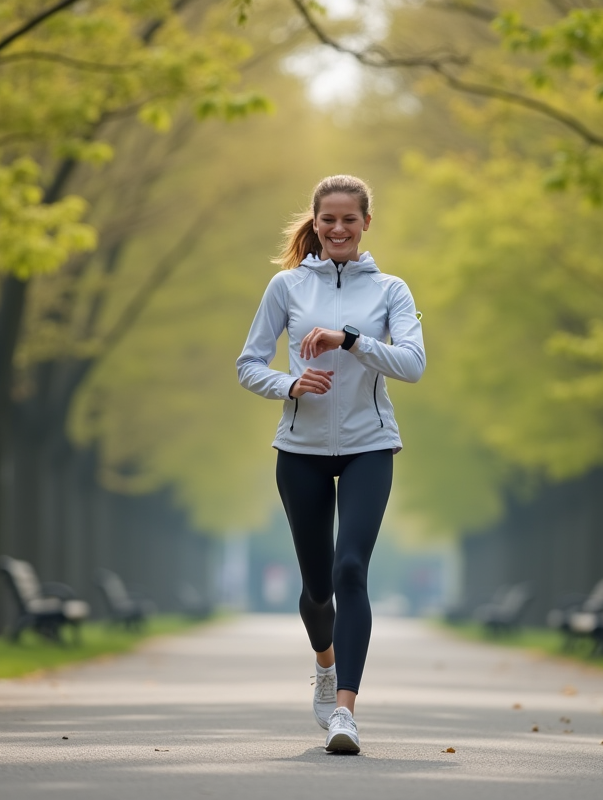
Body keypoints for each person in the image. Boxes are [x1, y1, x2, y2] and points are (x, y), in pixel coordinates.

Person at [236, 175, 426, 754]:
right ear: (315, 224)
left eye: (349, 219)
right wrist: (290, 384)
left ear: (367, 223)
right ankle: (324, 662)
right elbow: (248, 364)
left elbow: (413, 364)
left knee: (351, 571)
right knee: (318, 587)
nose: (338, 229)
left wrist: (351, 340)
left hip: (371, 444)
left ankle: (344, 711)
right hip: (301, 451)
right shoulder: (286, 286)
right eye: (328, 220)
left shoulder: (391, 290)